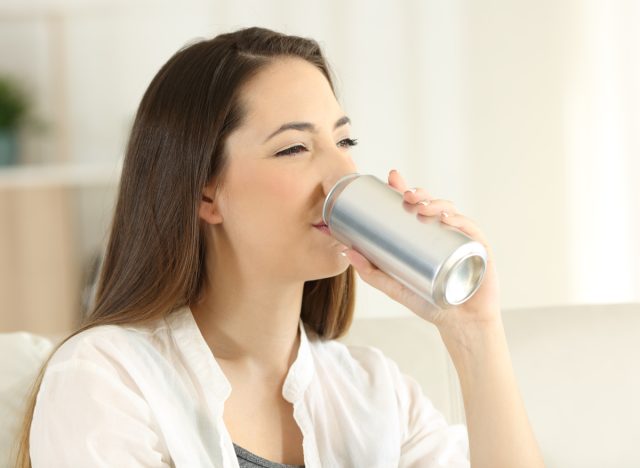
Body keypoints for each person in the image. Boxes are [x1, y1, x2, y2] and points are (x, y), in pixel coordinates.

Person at [15, 27, 544, 467]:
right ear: (205, 191)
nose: (342, 175)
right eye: (295, 148)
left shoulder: (375, 392)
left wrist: (475, 333)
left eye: (345, 143)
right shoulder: (107, 378)